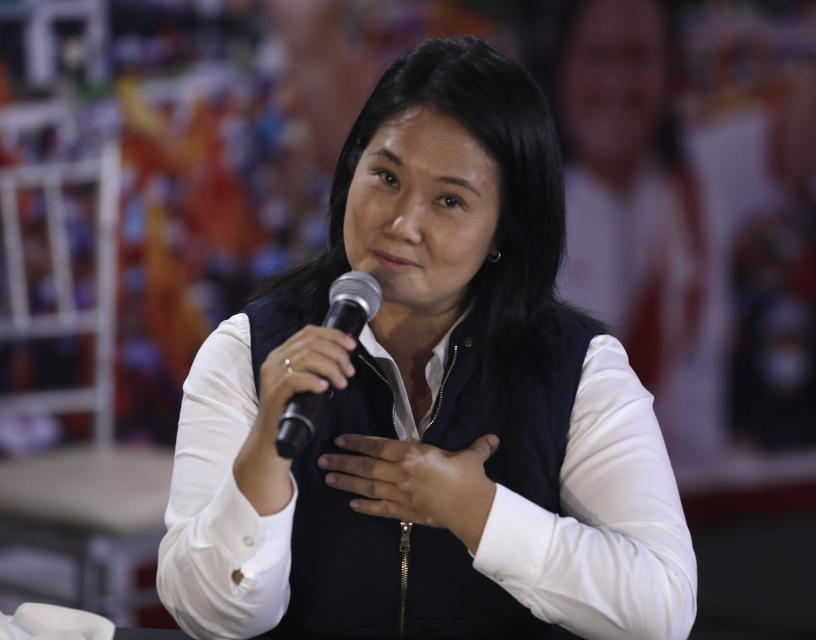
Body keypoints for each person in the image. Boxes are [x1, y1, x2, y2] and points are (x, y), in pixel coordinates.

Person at [157, 36, 696, 639]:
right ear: (351, 169)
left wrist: (476, 511)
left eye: (449, 200)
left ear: (503, 232)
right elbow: (207, 616)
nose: (402, 224)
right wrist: (265, 453)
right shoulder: (248, 349)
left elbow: (662, 610)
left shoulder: (578, 369)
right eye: (386, 176)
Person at [523, 0, 816, 461]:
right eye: (597, 58)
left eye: (638, 56)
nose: (616, 84)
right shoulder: (510, 206)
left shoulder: (707, 172)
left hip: (697, 516)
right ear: (558, 67)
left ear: (670, 69)